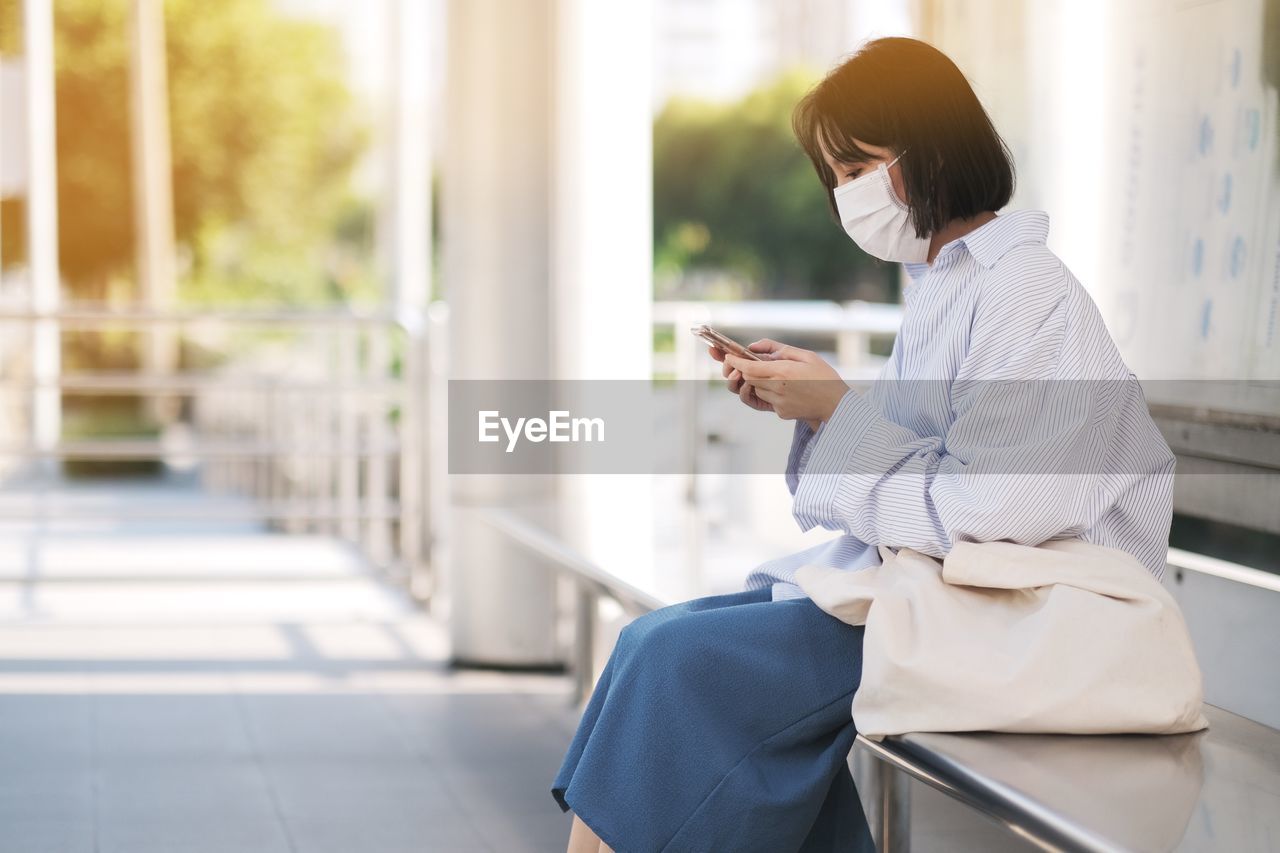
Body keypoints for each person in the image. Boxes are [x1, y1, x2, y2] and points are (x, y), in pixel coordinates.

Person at [552, 36, 1176, 853]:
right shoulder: (948, 287)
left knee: (676, 661)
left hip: (1020, 618)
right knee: (650, 642)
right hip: (946, 597)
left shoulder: (1024, 290)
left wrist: (839, 409)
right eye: (835, 178)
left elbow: (995, 508)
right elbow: (920, 468)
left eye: (857, 169)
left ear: (931, 147)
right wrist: (814, 409)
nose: (845, 196)